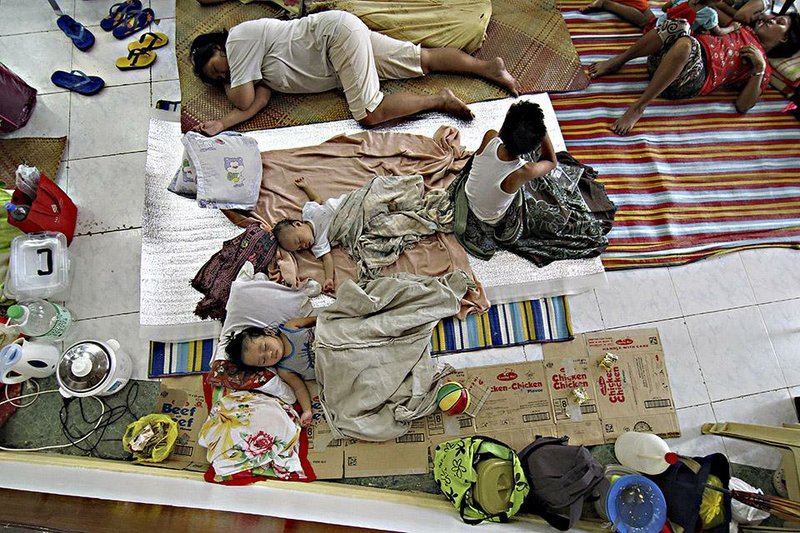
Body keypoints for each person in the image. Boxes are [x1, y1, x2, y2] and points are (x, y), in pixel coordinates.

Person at [189, 11, 521, 134]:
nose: (225, 77)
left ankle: (438, 100)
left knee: (369, 113)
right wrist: (222, 124)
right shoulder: (251, 67)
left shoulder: (239, 40)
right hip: (342, 43)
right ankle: (488, 68)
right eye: (218, 79)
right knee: (424, 59)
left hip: (334, 39)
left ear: (219, 48)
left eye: (218, 70)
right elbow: (255, 103)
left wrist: (229, 83)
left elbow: (243, 98)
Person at [588, 10, 800, 134]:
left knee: (686, 44)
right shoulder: (743, 29)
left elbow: (744, 105)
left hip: (690, 79)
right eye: (774, 16)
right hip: (666, 61)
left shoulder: (763, 66)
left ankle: (639, 106)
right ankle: (617, 61)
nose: (771, 19)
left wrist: (758, 70)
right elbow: (719, 17)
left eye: (779, 22)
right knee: (678, 25)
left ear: (784, 39)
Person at [464, 101, 557, 226]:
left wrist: (513, 115)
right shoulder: (523, 171)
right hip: (490, 218)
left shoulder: (490, 137)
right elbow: (551, 161)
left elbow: (504, 132)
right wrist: (542, 129)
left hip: (467, 196)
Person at [224, 316, 317, 427]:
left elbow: (316, 319)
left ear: (268, 332)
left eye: (265, 347)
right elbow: (299, 389)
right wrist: (307, 411)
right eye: (263, 360)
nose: (269, 354)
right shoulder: (284, 371)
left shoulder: (290, 328)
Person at [273, 177, 342, 294]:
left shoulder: (308, 212)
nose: (304, 246)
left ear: (298, 224)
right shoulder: (318, 243)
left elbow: (316, 199)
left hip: (344, 204)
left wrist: (306, 187)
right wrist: (329, 278)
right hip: (349, 220)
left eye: (299, 241)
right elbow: (327, 259)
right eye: (299, 248)